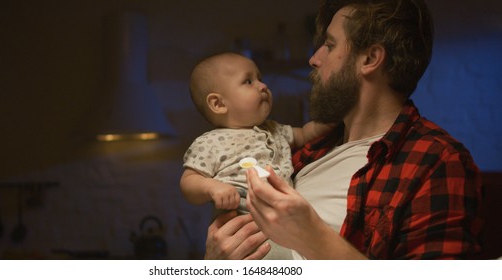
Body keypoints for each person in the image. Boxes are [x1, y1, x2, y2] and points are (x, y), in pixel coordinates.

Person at [204, 0, 484, 260]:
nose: (314, 59)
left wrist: (315, 238)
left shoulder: (435, 161)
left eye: (329, 44)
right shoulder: (306, 150)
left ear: (370, 59)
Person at [180, 52, 333, 259]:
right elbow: (189, 182)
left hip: (283, 222)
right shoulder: (210, 142)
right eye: (248, 81)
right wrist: (213, 188)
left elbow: (305, 134)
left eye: (260, 78)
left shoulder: (275, 129)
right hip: (241, 219)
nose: (262, 86)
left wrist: (334, 120)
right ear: (218, 104)